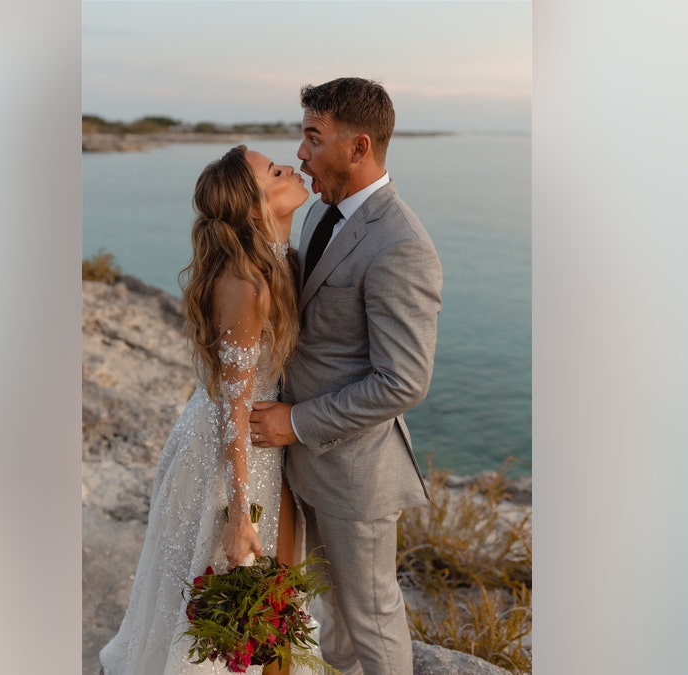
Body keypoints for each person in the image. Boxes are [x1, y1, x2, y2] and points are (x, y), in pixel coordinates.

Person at [249, 77, 443, 674]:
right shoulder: (320, 216)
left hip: (354, 473)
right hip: (306, 463)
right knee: (331, 616)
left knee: (372, 616)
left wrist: (296, 422)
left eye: (313, 138)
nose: (301, 153)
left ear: (359, 147)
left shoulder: (400, 246)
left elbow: (403, 381)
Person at [100, 145, 309, 674]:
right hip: (226, 454)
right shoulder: (245, 283)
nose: (291, 168)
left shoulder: (279, 260)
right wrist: (240, 515)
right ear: (254, 204)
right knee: (223, 600)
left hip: (260, 444)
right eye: (275, 171)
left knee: (265, 601)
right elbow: (232, 409)